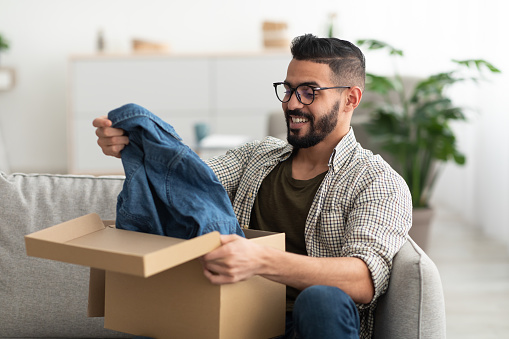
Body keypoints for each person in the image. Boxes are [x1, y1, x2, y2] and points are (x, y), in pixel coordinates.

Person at [93, 34, 412, 339]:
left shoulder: (377, 181)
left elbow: (363, 279)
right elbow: (189, 182)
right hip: (233, 320)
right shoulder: (256, 156)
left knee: (322, 300)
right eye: (288, 90)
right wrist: (138, 147)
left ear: (350, 99)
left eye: (309, 91)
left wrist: (259, 259)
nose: (291, 104)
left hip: (308, 325)